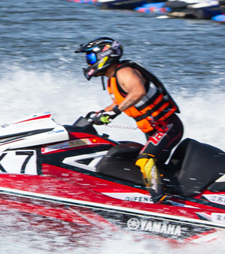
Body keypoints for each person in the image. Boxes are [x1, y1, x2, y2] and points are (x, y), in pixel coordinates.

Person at [76, 37, 184, 202]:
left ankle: (160, 200)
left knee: (145, 159)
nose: (89, 62)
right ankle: (169, 193)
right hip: (153, 129)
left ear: (105, 55)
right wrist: (100, 115)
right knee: (151, 166)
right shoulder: (113, 79)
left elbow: (138, 91)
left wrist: (115, 111)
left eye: (91, 57)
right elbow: (119, 103)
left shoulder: (124, 72)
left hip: (167, 126)